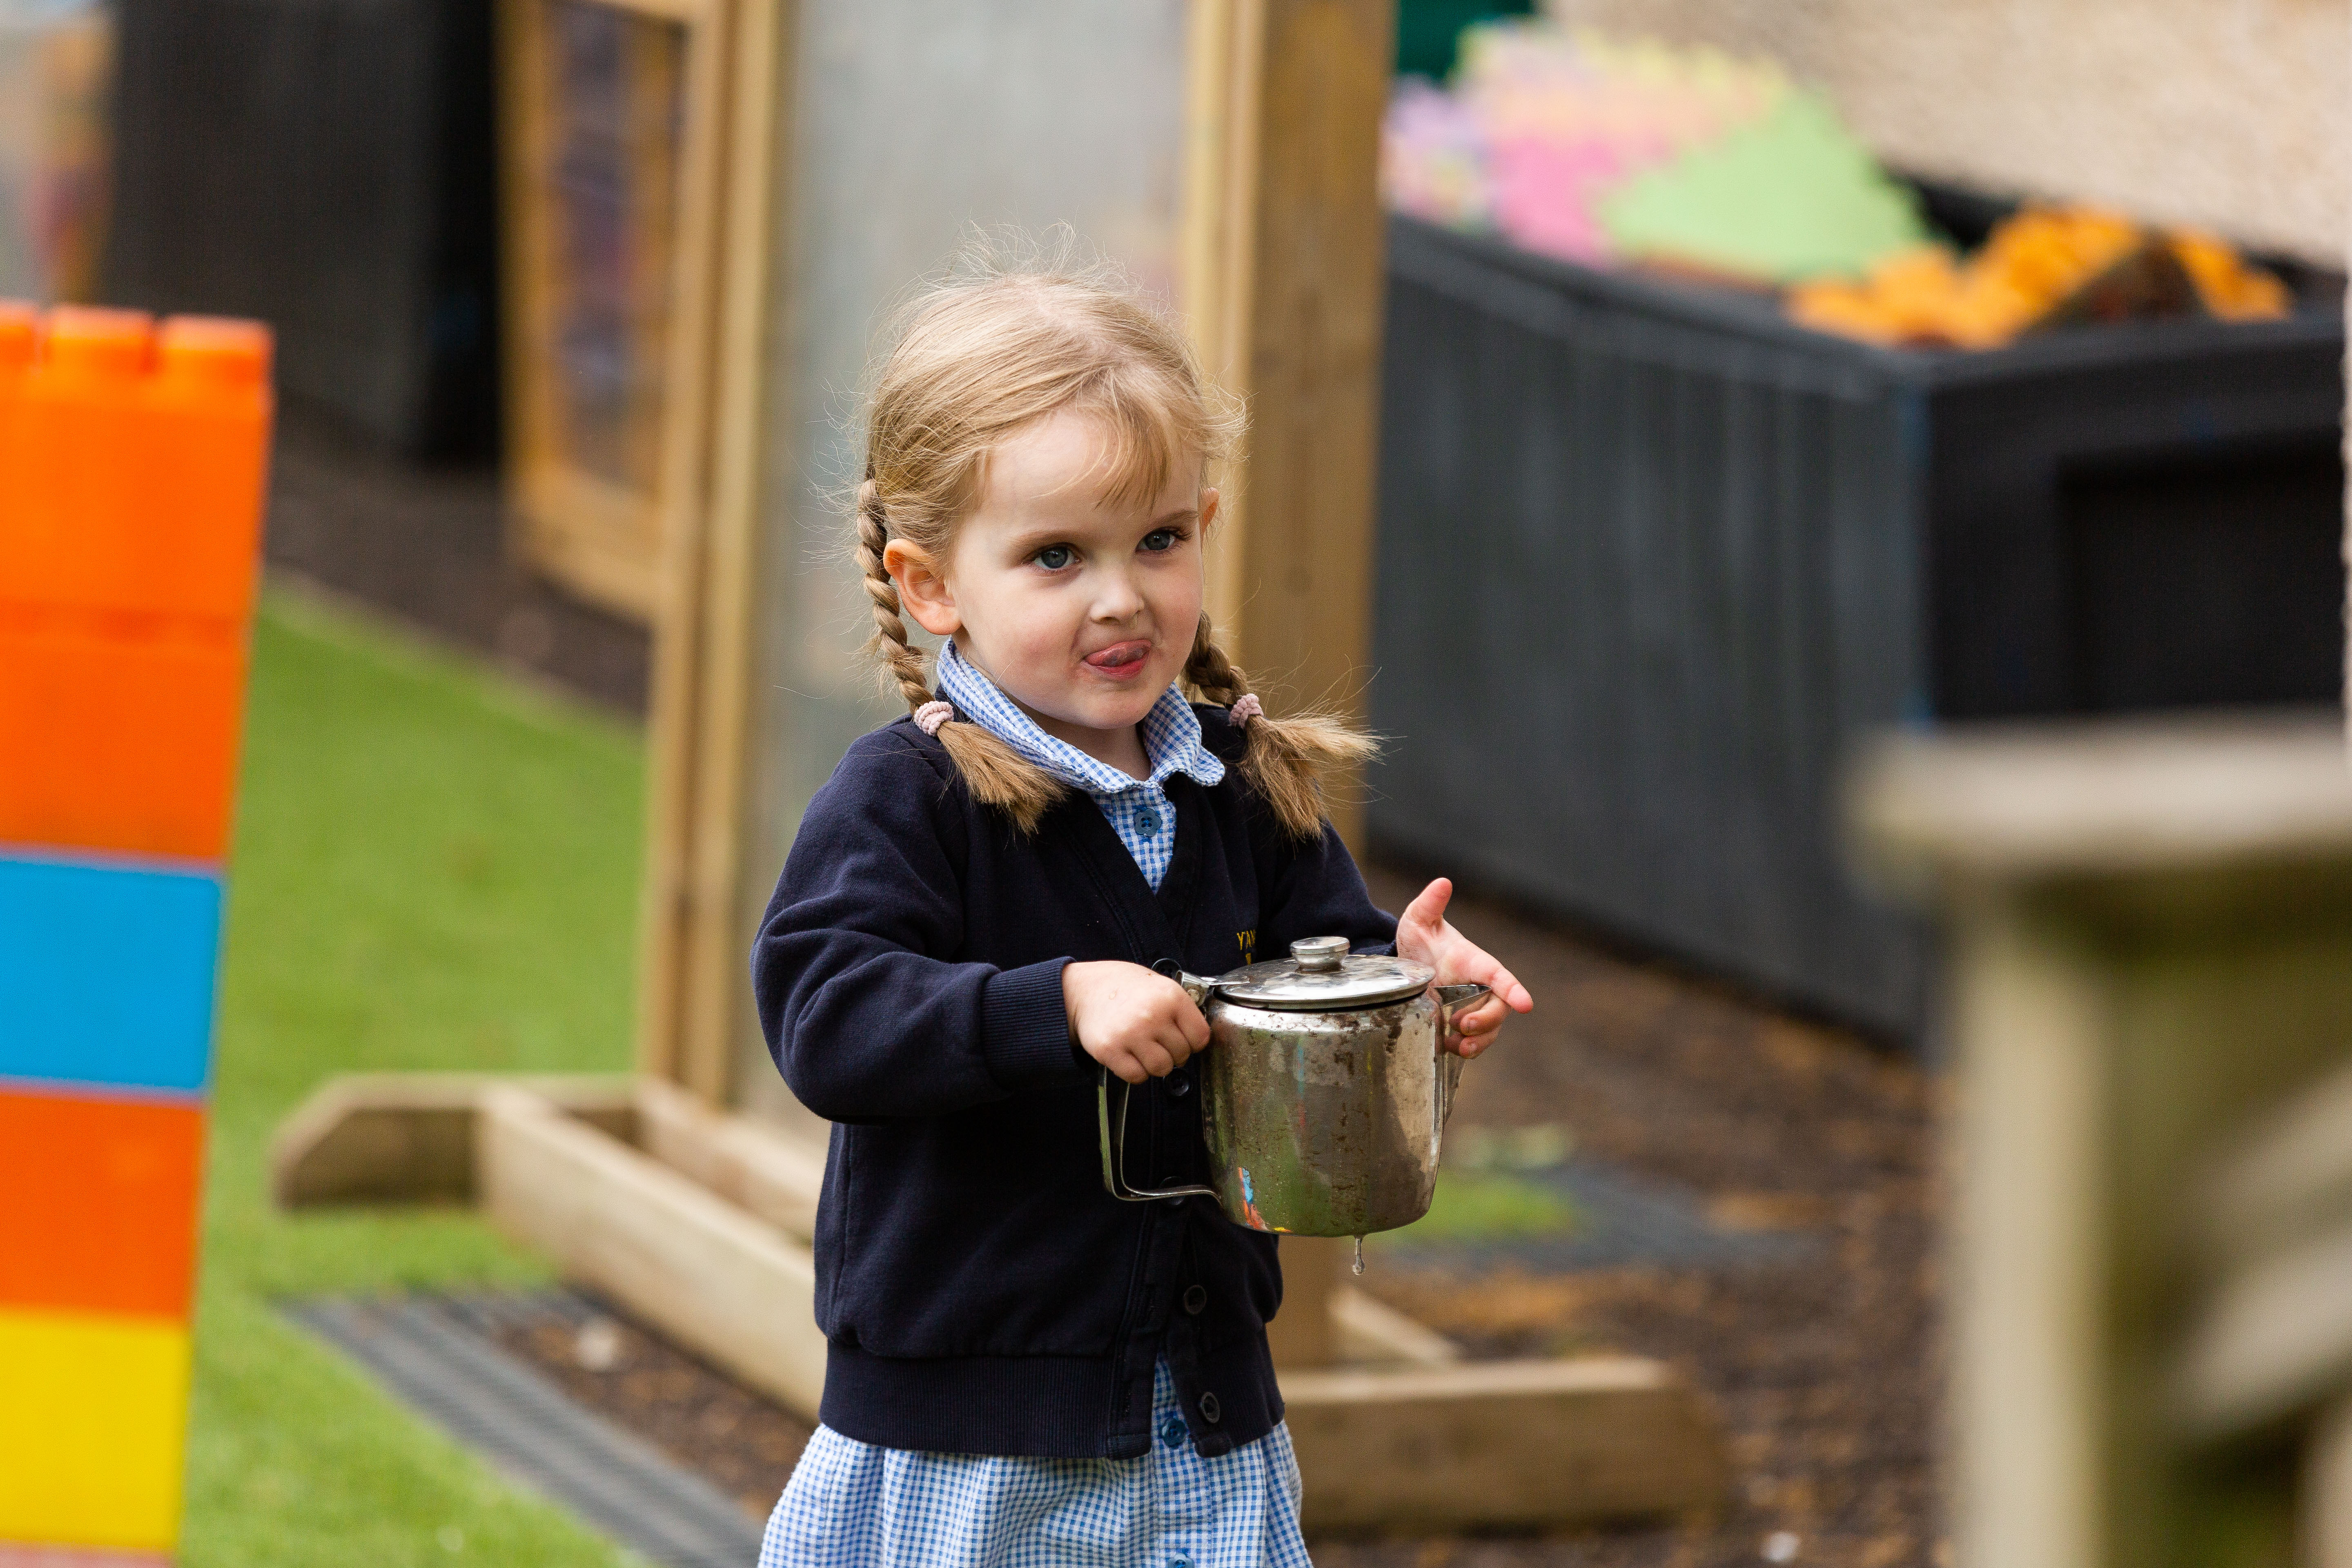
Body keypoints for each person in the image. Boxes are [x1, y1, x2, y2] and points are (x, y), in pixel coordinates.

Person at [751, 241, 1534, 1568]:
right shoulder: (911, 801)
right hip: (976, 1445)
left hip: (1208, 1416)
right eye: (1056, 556)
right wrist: (1052, 1001)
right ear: (932, 584)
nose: (1122, 596)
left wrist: (1402, 984)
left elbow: (1309, 969)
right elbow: (827, 1017)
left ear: (1204, 531)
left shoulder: (1239, 782)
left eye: (1158, 541)